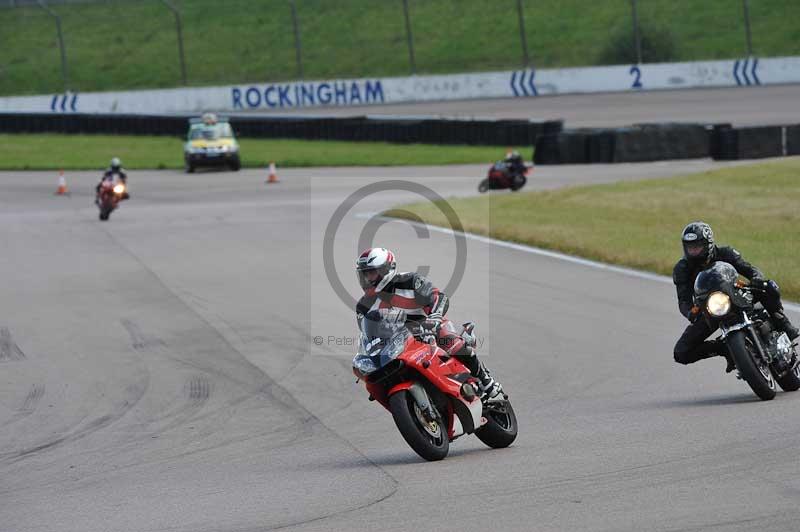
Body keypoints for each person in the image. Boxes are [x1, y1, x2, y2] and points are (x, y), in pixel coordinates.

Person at [355, 247, 504, 399]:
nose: (367, 279)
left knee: (449, 340)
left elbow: (438, 297)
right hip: (398, 343)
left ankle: (487, 382)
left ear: (387, 269)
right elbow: (368, 334)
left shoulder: (409, 281)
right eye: (364, 274)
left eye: (371, 273)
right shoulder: (363, 306)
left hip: (429, 327)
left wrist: (435, 316)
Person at [672, 221, 798, 371]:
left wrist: (756, 278)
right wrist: (690, 312)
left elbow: (750, 270)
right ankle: (723, 348)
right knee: (681, 352)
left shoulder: (726, 253)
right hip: (712, 309)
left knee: (768, 286)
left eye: (696, 247)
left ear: (708, 244)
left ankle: (782, 322)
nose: (693, 251)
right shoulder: (682, 269)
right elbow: (683, 300)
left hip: (738, 294)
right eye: (689, 247)